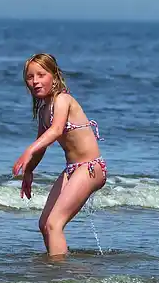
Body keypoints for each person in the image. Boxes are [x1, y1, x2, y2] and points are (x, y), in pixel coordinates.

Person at [12, 53, 107, 257]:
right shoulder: (44, 109)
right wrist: (29, 171)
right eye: (30, 77)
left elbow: (55, 131)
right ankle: (58, 264)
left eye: (41, 75)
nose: (35, 81)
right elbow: (43, 145)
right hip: (73, 170)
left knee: (55, 223)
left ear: (54, 76)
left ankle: (60, 277)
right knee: (45, 224)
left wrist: (27, 150)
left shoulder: (63, 99)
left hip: (91, 167)